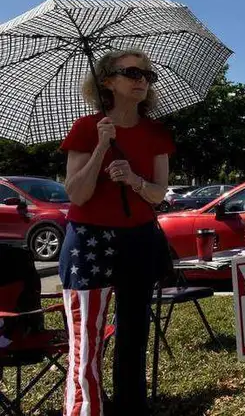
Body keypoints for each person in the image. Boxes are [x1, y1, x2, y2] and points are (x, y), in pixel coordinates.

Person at [60, 49, 174, 416]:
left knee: (133, 334)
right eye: (131, 73)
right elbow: (75, 193)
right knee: (86, 337)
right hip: (89, 240)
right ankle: (85, 410)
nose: (142, 80)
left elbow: (158, 194)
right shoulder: (86, 127)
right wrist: (100, 149)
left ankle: (131, 408)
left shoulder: (156, 133)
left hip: (138, 238)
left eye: (147, 75)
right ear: (107, 80)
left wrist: (135, 180)